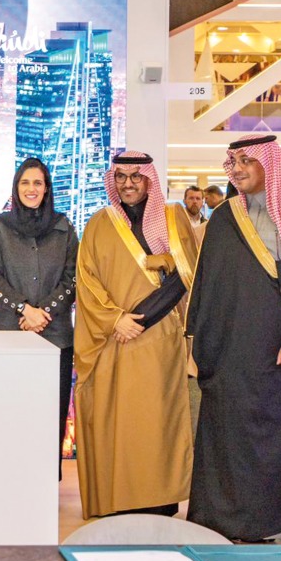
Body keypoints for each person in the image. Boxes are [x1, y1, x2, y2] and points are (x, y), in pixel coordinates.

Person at [187, 135, 281, 541]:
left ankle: (264, 522)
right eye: (231, 162)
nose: (236, 169)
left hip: (279, 347)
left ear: (269, 164)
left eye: (246, 161)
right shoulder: (224, 216)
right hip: (231, 349)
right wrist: (199, 344)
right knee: (229, 433)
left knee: (271, 436)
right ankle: (224, 519)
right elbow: (207, 285)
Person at [73, 150, 197, 518]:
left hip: (157, 339)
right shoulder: (99, 223)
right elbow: (87, 281)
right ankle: (118, 500)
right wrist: (115, 321)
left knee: (157, 422)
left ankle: (159, 500)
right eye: (121, 176)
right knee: (117, 421)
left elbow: (185, 276)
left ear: (149, 179)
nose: (128, 183)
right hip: (113, 338)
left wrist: (139, 320)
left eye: (136, 176)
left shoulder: (172, 218)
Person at [0, 158, 78, 477]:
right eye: (25, 183)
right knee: (9, 412)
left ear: (47, 188)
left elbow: (74, 278)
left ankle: (46, 483)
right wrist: (25, 309)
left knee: (51, 414)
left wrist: (45, 312)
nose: (31, 189)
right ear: (15, 187)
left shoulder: (64, 228)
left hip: (55, 339)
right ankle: (7, 479)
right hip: (9, 335)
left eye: (37, 183)